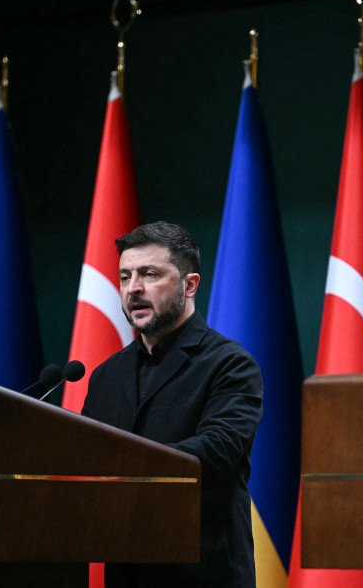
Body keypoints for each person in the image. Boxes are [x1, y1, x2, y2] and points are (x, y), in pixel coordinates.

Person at [80, 221, 263, 587]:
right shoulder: (106, 375)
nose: (134, 289)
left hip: (202, 572)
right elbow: (85, 455)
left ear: (189, 284)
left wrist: (127, 467)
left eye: (149, 274)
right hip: (125, 570)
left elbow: (217, 450)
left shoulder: (229, 363)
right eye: (125, 276)